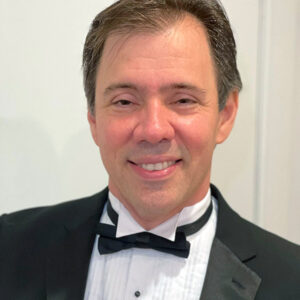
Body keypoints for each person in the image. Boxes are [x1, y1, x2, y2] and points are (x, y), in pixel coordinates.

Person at [0, 0, 299, 299]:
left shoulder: (291, 279)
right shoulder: (9, 247)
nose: (153, 130)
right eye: (125, 101)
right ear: (93, 118)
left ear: (226, 114)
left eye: (183, 100)